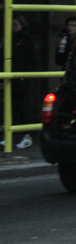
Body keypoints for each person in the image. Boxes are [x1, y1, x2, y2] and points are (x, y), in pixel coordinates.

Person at [2, 16, 35, 149]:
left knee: (22, 107)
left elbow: (31, 59)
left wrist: (23, 76)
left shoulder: (25, 39)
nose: (13, 28)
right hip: (11, 77)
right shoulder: (10, 39)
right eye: (11, 25)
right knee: (11, 107)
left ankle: (27, 136)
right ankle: (9, 136)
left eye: (16, 25)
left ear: (22, 25)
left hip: (20, 78)